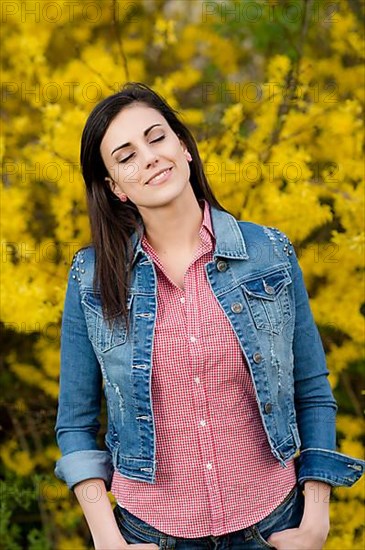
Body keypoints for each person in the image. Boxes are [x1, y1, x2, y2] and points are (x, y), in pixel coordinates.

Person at [54, 82, 364, 550]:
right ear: (115, 187)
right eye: (126, 155)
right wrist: (106, 536)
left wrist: (317, 514)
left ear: (184, 147)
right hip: (149, 533)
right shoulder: (91, 277)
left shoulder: (270, 252)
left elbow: (312, 389)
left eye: (156, 138)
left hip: (272, 524)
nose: (150, 157)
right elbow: (75, 423)